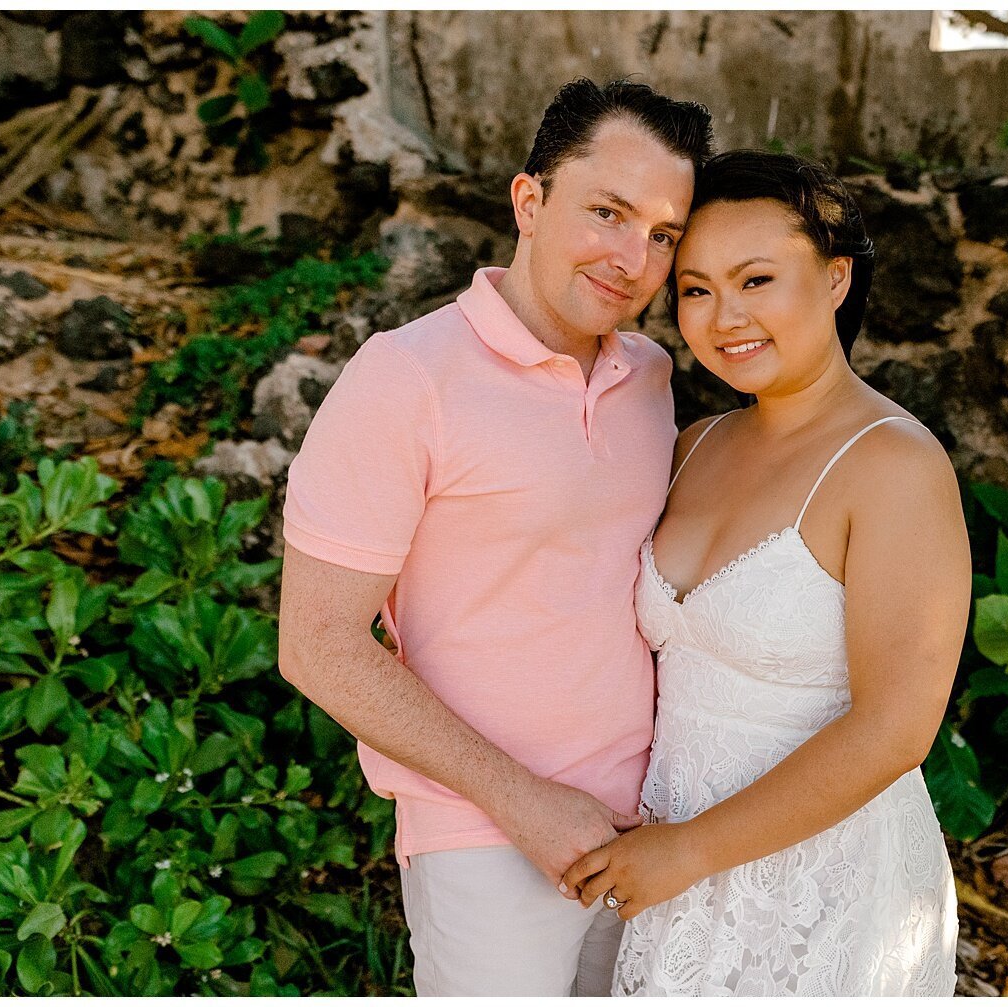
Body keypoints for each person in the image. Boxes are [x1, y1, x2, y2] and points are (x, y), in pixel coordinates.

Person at [275, 78, 713, 996]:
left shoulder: (652, 376)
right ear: (530, 199)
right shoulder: (405, 379)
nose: (634, 257)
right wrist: (523, 802)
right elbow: (316, 645)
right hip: (483, 835)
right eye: (607, 211)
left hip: (655, 828)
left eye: (664, 234)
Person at [559, 150, 969, 995]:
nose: (724, 316)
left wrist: (692, 851)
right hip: (664, 859)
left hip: (815, 879)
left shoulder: (892, 464)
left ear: (835, 279)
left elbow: (896, 727)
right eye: (698, 288)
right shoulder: (692, 445)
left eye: (757, 279)